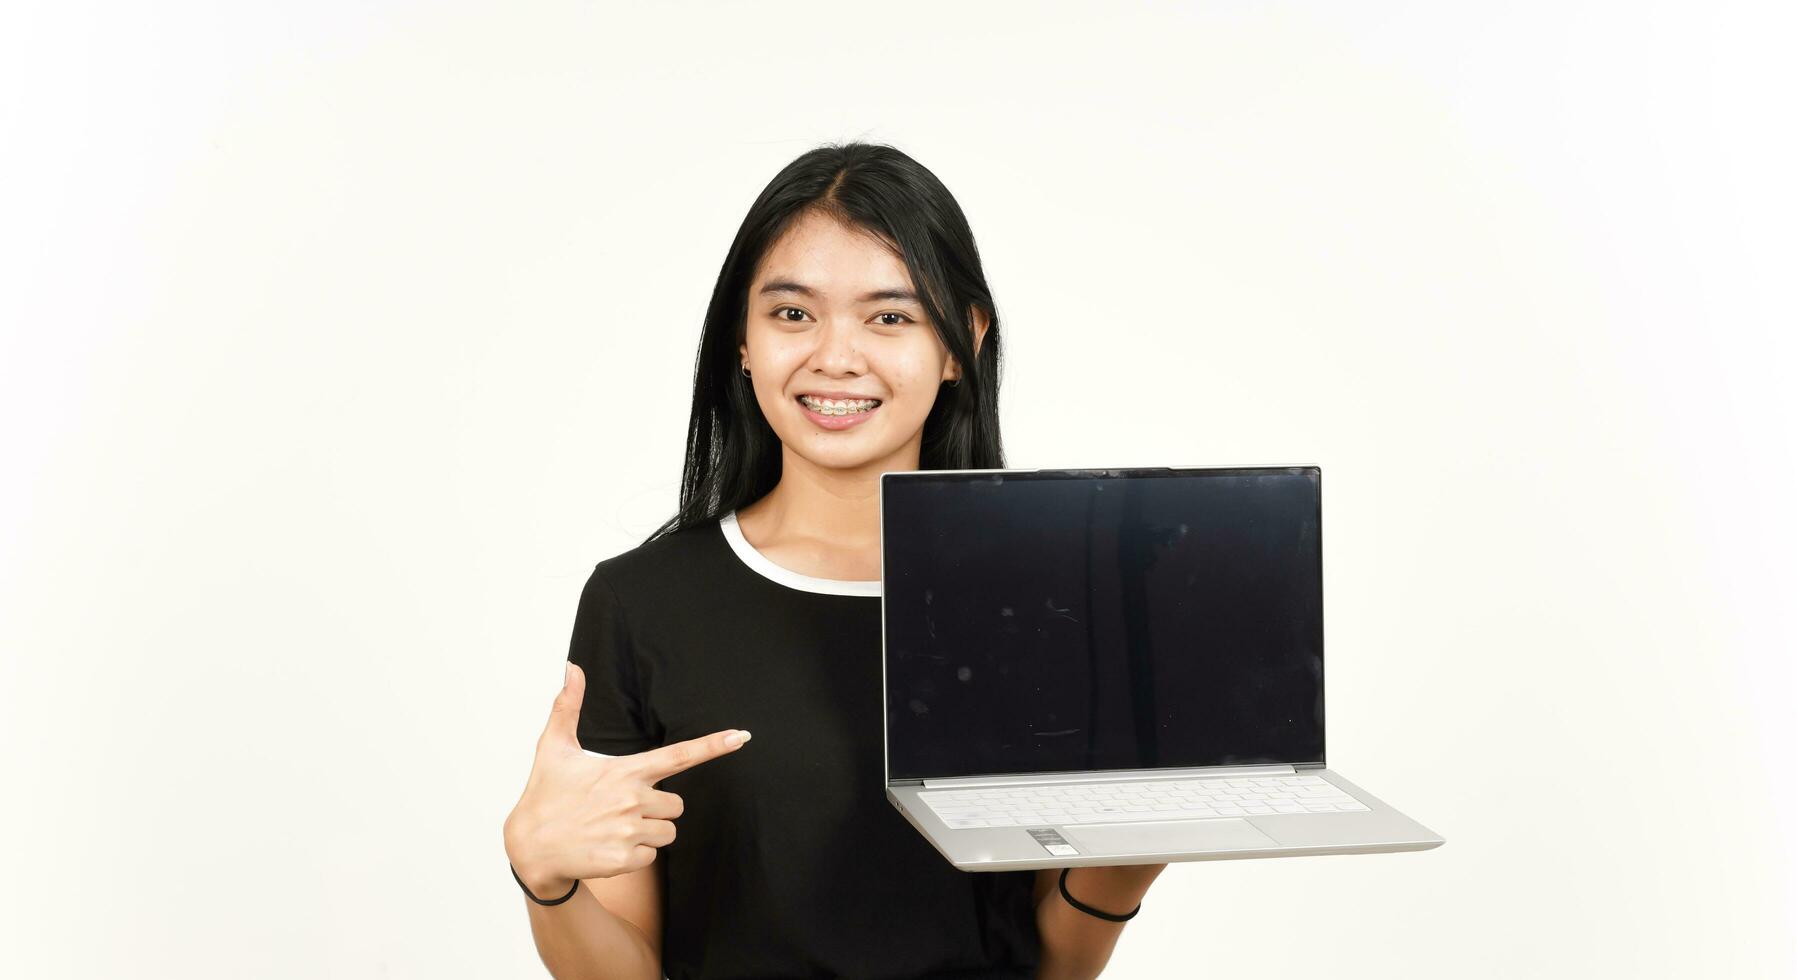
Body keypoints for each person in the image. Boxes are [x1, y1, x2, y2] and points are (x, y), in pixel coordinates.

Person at [502, 141, 1166, 979]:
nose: (834, 357)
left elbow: (1051, 966)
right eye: (791, 314)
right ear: (741, 340)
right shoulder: (642, 602)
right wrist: (546, 878)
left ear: (961, 342)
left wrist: (1128, 862)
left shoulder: (1044, 596)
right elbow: (625, 966)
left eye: (888, 316)